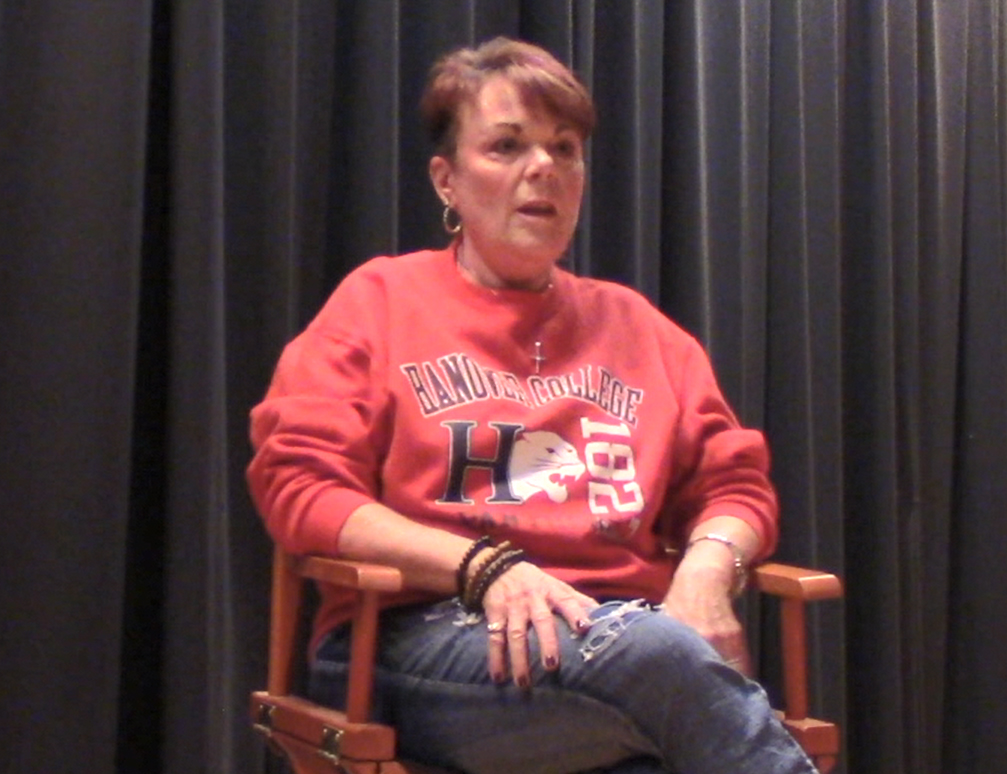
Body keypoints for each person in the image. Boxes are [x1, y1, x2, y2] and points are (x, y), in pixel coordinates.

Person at [248, 36, 819, 774]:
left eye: (565, 148)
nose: (543, 167)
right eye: (506, 146)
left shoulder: (638, 327)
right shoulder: (378, 302)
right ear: (445, 180)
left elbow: (733, 485)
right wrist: (480, 566)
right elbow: (299, 486)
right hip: (420, 640)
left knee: (655, 729)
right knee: (659, 666)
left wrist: (706, 572)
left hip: (621, 646)